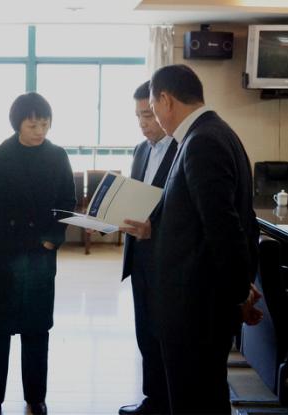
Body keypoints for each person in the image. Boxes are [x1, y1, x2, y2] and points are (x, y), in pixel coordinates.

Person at [120, 64, 262, 414]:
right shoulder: (216, 133)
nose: (153, 118)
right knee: (204, 395)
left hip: (195, 306)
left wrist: (239, 293)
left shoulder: (202, 142)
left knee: (195, 399)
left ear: (165, 100)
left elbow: (224, 228)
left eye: (153, 108)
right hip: (200, 302)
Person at [0, 92, 76, 415]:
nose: (39, 131)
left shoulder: (58, 156)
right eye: (32, 125)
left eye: (45, 124)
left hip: (39, 253)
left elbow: (68, 202)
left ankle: (35, 397)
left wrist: (53, 238)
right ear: (17, 125)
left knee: (36, 330)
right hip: (0, 253)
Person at [119, 80, 177, 415]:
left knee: (166, 336)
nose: (142, 123)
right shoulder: (141, 150)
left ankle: (170, 402)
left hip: (167, 258)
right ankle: (153, 399)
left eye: (147, 115)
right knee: (145, 334)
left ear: (163, 107)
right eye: (138, 116)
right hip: (139, 256)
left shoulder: (183, 148)